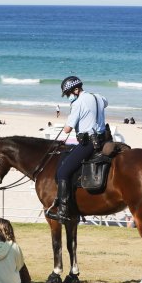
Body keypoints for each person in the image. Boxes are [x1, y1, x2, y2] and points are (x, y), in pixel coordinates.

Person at [54, 76, 108, 222]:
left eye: (69, 94)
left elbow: (67, 129)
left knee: (62, 172)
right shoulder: (98, 97)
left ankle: (63, 210)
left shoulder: (77, 103)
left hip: (88, 143)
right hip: (104, 139)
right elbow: (105, 104)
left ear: (76, 89)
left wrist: (71, 117)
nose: (68, 97)